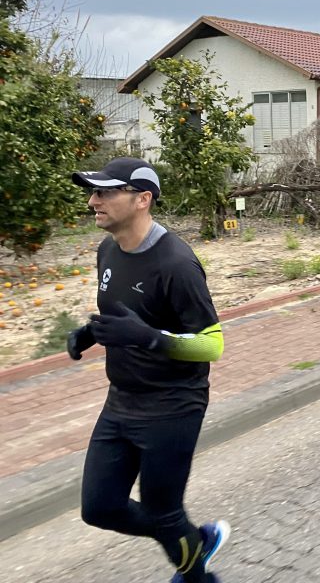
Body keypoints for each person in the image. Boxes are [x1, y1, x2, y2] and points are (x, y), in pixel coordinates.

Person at [66, 158, 229, 583]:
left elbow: (213, 344)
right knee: (99, 508)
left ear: (143, 199)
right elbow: (126, 315)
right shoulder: (107, 249)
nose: (93, 201)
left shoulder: (176, 263)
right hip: (121, 400)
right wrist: (91, 332)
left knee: (162, 511)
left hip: (173, 405)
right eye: (93, 192)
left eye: (105, 193)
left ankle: (197, 574)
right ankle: (193, 541)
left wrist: (149, 337)